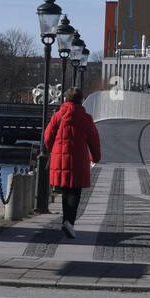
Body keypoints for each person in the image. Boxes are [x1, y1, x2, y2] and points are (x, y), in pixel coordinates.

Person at [42, 87, 101, 238]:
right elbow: (94, 140)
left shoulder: (58, 116)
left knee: (65, 191)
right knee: (75, 192)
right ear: (81, 100)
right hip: (79, 160)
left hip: (60, 158)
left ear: (65, 100)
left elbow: (47, 136)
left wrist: (53, 149)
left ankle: (66, 221)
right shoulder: (86, 118)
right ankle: (69, 223)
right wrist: (95, 157)